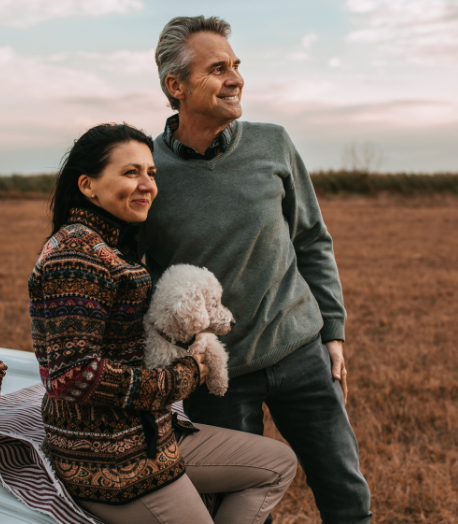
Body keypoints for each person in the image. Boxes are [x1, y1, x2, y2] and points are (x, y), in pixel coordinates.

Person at [138, 17, 373, 524]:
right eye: (218, 68)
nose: (236, 78)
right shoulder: (148, 172)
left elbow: (311, 239)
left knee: (346, 495)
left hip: (302, 354)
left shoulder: (273, 144)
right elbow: (137, 274)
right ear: (174, 87)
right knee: (242, 509)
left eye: (237, 66)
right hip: (217, 378)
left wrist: (332, 331)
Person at [29, 122, 297, 524]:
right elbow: (72, 375)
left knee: (277, 463)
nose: (147, 184)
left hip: (148, 433)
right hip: (108, 458)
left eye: (151, 173)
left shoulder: (111, 244)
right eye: (130, 172)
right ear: (88, 185)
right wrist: (185, 377)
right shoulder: (77, 256)